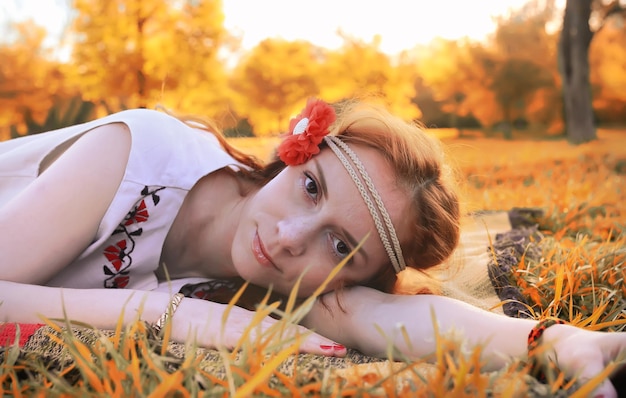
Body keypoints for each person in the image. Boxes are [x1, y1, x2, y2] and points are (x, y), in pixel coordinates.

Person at [0, 99, 623, 397]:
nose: (290, 238)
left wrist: (557, 339)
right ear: (296, 153)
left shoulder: (277, 288)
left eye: (341, 245)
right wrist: (176, 316)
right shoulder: (139, 153)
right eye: (309, 187)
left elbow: (388, 318)